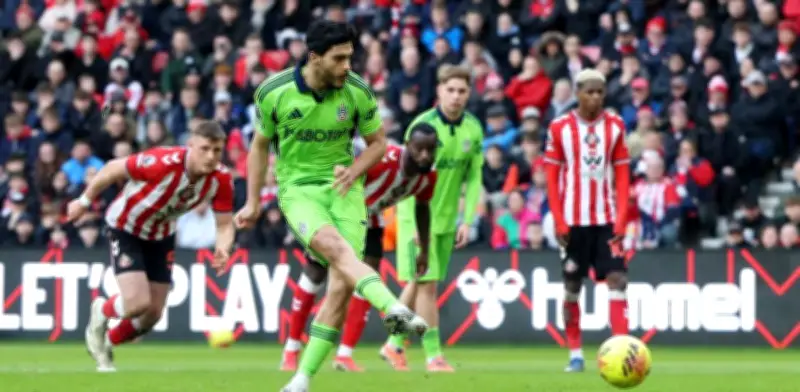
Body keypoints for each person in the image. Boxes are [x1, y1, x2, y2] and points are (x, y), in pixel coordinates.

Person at [233, 20, 427, 392]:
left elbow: (378, 143)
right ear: (314, 57)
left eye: (350, 58)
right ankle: (393, 308)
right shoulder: (274, 92)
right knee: (334, 249)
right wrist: (253, 201)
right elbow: (259, 146)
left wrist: (355, 170)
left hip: (345, 190)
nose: (346, 66)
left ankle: (301, 379)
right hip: (299, 190)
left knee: (340, 287)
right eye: (339, 59)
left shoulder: (357, 91)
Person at [71, 121, 235, 372]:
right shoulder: (162, 162)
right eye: (205, 149)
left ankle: (107, 342)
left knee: (153, 314)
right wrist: (83, 201)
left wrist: (223, 247)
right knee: (137, 302)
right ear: (190, 145)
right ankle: (101, 310)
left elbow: (224, 224)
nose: (211, 156)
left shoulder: (221, 179)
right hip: (126, 226)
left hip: (162, 235)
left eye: (217, 150)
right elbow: (113, 168)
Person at [280, 122, 440, 372]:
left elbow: (422, 208)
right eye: (420, 149)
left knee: (366, 280)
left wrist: (425, 249)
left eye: (431, 150)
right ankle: (291, 350)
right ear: (408, 145)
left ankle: (345, 354)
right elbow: (341, 176)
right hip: (340, 210)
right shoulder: (384, 160)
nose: (425, 156)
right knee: (315, 274)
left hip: (371, 218)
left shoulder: (428, 177)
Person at [388, 64, 485, 372]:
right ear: (440, 90)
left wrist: (467, 219)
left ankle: (393, 343)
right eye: (450, 90)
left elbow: (474, 177)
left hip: (445, 220)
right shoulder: (422, 127)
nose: (456, 96)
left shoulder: (473, 128)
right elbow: (406, 176)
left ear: (468, 93)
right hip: (416, 218)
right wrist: (417, 225)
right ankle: (434, 356)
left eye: (461, 91)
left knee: (418, 284)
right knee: (427, 287)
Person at [543, 69, 632, 372]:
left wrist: (621, 219)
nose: (595, 97)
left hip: (606, 219)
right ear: (577, 93)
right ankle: (575, 354)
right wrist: (558, 220)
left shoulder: (616, 126)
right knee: (572, 285)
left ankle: (621, 352)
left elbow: (622, 174)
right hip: (572, 221)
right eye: (589, 92)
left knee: (618, 280)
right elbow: (551, 177)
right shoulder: (559, 127)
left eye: (600, 92)